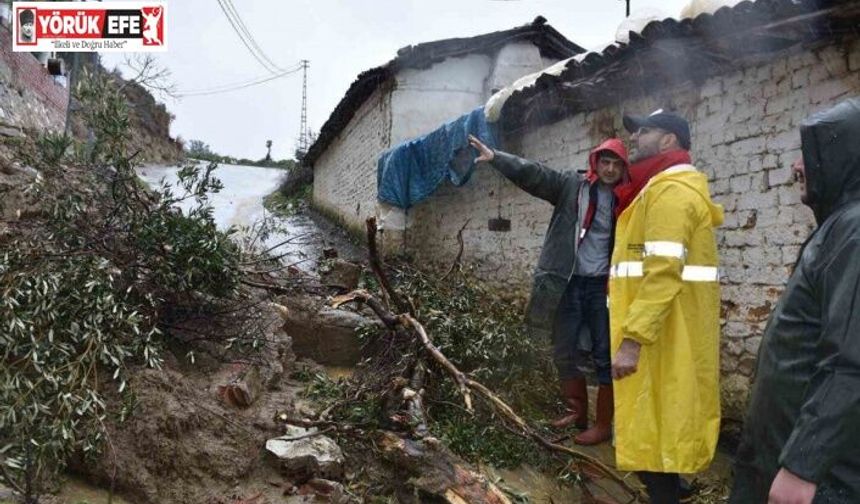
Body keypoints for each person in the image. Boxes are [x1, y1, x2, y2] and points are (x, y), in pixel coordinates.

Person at [730, 98, 860, 504]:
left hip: (815, 478)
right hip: (781, 453)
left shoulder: (854, 231)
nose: (797, 167)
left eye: (809, 154)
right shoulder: (840, 226)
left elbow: (850, 360)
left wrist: (802, 466)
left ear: (843, 158)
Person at [467, 133, 628, 445]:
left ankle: (604, 424)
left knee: (604, 354)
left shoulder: (627, 198)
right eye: (604, 162)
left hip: (602, 287)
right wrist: (498, 158)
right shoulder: (572, 186)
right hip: (566, 282)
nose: (609, 169)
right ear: (595, 162)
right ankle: (575, 413)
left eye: (616, 165)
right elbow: (535, 175)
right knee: (564, 348)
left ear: (624, 169)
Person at [611, 110, 723, 503]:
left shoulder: (670, 193)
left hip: (658, 331)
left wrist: (632, 339)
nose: (635, 138)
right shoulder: (656, 189)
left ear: (669, 140)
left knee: (653, 426)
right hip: (665, 327)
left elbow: (662, 272)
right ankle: (674, 489)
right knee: (663, 418)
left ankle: (667, 496)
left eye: (644, 131)